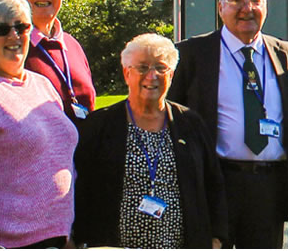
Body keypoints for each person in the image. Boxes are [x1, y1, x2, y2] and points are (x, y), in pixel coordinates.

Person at [169, 0, 288, 248]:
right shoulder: (192, 54)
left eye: (255, 0)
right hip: (216, 182)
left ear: (266, 6)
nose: (247, 9)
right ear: (221, 8)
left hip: (268, 187)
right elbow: (171, 119)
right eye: (236, 1)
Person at [75, 34, 230, 248]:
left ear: (172, 75)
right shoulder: (100, 125)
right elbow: (81, 186)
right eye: (143, 68)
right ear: (126, 73)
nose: (152, 76)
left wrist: (216, 238)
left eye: (160, 68)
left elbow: (213, 182)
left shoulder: (190, 123)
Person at [0, 0, 77, 248]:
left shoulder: (42, 84)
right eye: (2, 29)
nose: (14, 36)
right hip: (6, 242)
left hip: (58, 236)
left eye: (22, 27)